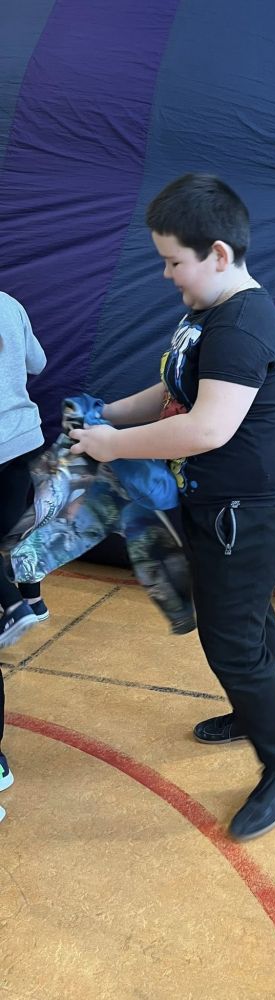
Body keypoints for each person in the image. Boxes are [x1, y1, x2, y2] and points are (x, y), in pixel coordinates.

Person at [69, 174, 275, 840]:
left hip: (249, 508)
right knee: (246, 615)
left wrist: (114, 446)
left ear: (219, 254)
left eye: (174, 261)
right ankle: (252, 708)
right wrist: (108, 415)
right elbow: (176, 390)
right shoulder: (207, 312)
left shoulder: (242, 325)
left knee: (229, 638)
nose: (167, 274)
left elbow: (206, 428)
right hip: (222, 501)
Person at [0, 292, 51, 819]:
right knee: (19, 533)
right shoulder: (10, 304)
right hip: (21, 442)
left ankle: (17, 604)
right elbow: (37, 363)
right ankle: (30, 598)